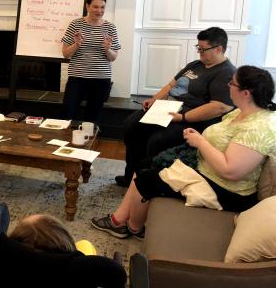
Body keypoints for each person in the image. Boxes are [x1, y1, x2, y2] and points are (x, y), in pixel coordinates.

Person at [92, 65, 276, 240]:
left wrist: (201, 142)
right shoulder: (241, 112)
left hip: (227, 192)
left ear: (245, 93)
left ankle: (134, 228)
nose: (228, 87)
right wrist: (199, 140)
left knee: (146, 180)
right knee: (146, 163)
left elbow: (231, 171)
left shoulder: (257, 128)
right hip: (207, 168)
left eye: (232, 84)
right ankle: (118, 220)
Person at [115, 26, 236, 187]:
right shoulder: (196, 64)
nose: (199, 52)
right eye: (198, 48)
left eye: (203, 49)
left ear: (219, 48)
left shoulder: (226, 72)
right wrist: (154, 100)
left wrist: (183, 117)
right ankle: (131, 175)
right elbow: (171, 84)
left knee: (157, 140)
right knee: (131, 125)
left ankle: (146, 183)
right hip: (171, 110)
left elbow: (218, 107)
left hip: (192, 120)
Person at [61, 0, 121, 123]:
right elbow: (66, 53)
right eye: (95, 7)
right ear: (87, 6)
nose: (99, 11)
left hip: (101, 78)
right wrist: (76, 44)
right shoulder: (75, 24)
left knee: (92, 117)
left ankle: (89, 142)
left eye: (102, 7)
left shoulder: (110, 27)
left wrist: (107, 49)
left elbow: (113, 57)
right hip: (77, 77)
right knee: (68, 112)